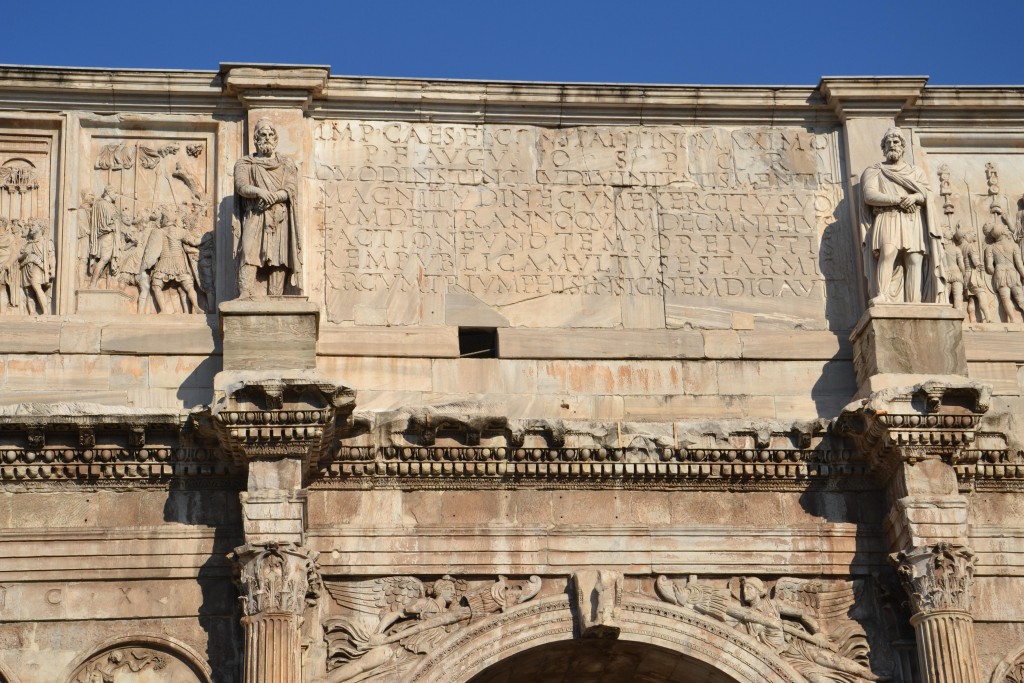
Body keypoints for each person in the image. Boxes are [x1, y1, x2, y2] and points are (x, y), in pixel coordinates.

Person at [861, 128, 945, 304]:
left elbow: (927, 194)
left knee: (914, 259)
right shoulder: (875, 170)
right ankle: (882, 294)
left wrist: (914, 196)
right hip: (887, 216)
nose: (892, 145)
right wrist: (898, 200)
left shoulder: (916, 172)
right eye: (888, 142)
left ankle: (914, 302)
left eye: (896, 141)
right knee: (888, 252)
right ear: (883, 147)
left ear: (903, 146)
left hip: (913, 219)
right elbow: (869, 196)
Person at [234, 118, 301, 297]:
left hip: (279, 215)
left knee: (278, 255)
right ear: (256, 139)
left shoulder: (286, 163)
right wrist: (259, 192)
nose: (267, 138)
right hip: (254, 213)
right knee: (248, 251)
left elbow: (291, 188)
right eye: (263, 134)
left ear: (276, 138)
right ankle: (245, 293)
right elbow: (241, 186)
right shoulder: (245, 163)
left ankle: (276, 295)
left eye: (271, 134)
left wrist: (274, 197)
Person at [88, 186, 123, 287]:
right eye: (115, 192)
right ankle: (93, 283)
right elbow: (104, 221)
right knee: (104, 259)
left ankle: (107, 285)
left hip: (113, 236)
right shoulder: (101, 203)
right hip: (106, 235)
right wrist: (112, 223)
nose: (117, 195)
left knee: (109, 260)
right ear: (109, 192)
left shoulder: (111, 205)